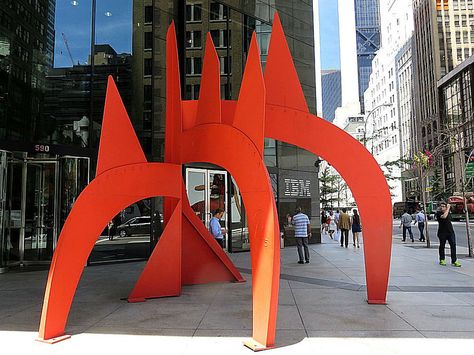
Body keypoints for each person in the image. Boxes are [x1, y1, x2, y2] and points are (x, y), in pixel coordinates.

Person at [436, 202, 461, 267]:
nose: (442, 207)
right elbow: (444, 216)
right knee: (442, 246)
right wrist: (448, 208)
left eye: (444, 206)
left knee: (453, 245)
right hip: (442, 232)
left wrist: (449, 208)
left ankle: (454, 260)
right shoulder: (438, 213)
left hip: (450, 232)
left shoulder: (448, 212)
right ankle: (442, 259)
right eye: (441, 206)